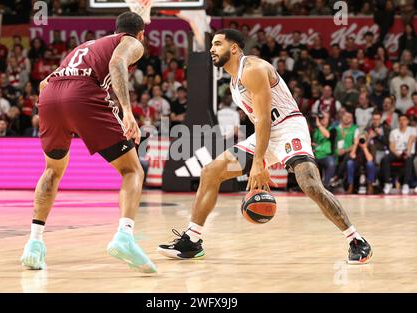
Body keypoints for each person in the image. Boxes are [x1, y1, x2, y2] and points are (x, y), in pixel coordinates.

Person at [158, 29, 372, 264]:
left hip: (288, 126)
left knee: (309, 184)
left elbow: (265, 119)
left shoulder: (253, 69)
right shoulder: (233, 81)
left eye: (217, 44)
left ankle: (356, 240)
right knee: (210, 171)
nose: (211, 49)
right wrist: (259, 154)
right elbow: (259, 122)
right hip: (266, 132)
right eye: (211, 45)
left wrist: (258, 162)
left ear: (234, 48)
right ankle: (192, 240)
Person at [20, 12, 157, 273]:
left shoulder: (85, 46)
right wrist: (127, 111)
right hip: (82, 94)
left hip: (50, 97)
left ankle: (33, 245)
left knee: (52, 171)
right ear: (140, 34)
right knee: (132, 170)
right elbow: (117, 64)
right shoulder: (132, 42)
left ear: (114, 28)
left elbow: (43, 83)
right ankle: (125, 236)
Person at [382, 114, 416, 195]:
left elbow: (411, 140)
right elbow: (391, 145)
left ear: (407, 121)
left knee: (409, 159)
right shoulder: (394, 132)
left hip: (408, 152)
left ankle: (405, 184)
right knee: (385, 158)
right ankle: (387, 183)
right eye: (400, 120)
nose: (402, 121)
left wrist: (407, 151)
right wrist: (397, 153)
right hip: (396, 152)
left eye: (404, 119)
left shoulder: (413, 129)